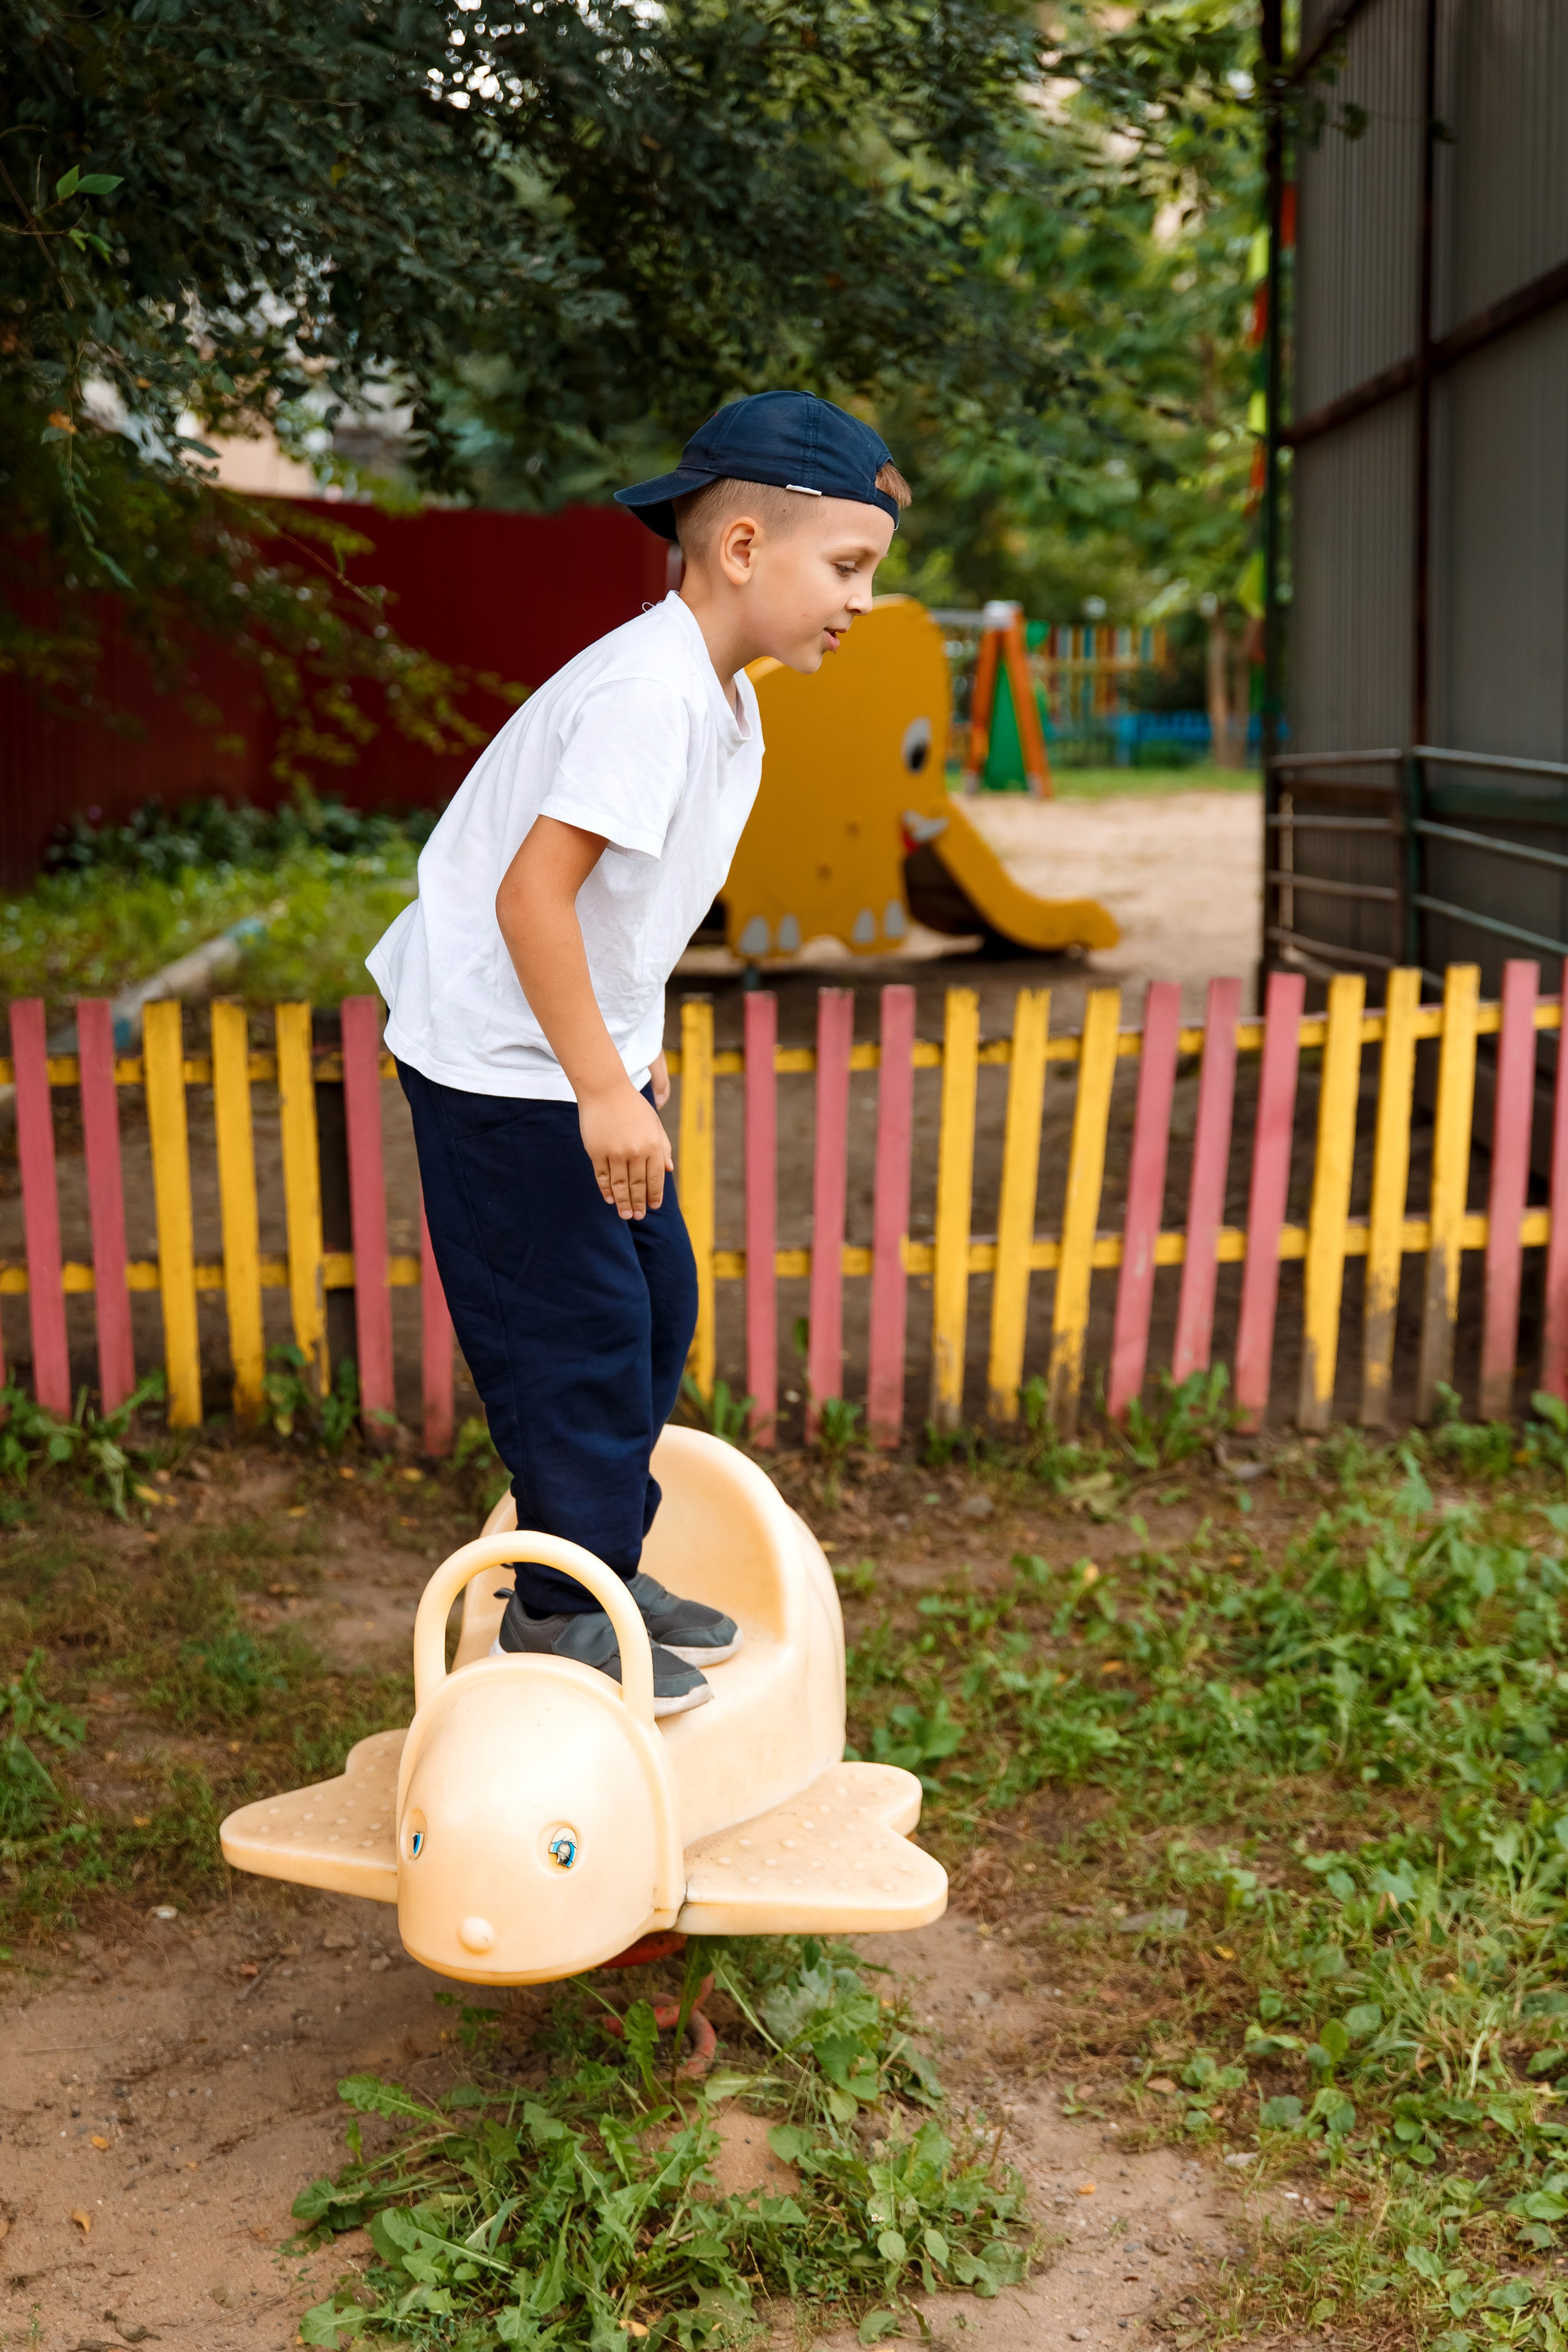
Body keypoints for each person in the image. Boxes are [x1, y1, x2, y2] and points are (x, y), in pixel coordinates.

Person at [368, 391, 911, 1715]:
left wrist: (628, 1063)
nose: (860, 600)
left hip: (575, 1051)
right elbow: (530, 898)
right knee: (579, 1335)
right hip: (499, 1065)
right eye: (845, 567)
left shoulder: (722, 701)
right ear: (739, 548)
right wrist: (602, 1089)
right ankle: (559, 1616)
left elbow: (626, 922)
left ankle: (600, 1560)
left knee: (654, 1306)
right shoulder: (648, 695)